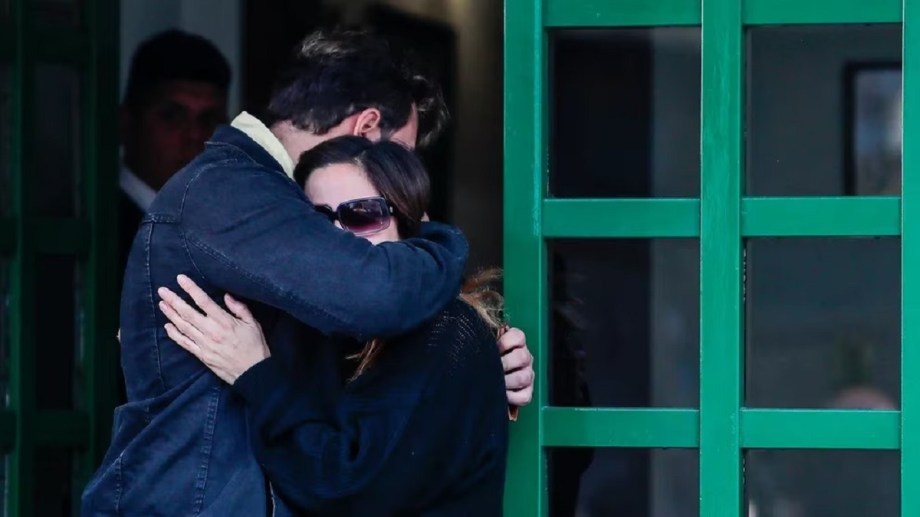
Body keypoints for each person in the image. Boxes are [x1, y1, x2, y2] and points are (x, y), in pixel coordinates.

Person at [82, 29, 532, 516]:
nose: (403, 176)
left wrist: (483, 357)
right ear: (366, 128)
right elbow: (379, 296)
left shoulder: (265, 198)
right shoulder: (231, 190)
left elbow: (364, 371)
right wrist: (438, 238)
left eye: (362, 214)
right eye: (400, 153)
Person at [158, 136, 509, 514]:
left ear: (405, 221)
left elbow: (348, 488)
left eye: (363, 214)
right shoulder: (325, 330)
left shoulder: (445, 330)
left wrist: (256, 374)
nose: (339, 237)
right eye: (319, 221)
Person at [119, 29, 231, 269]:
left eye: (209, 119)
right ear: (128, 123)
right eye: (172, 116)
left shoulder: (230, 226)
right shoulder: (95, 228)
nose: (195, 135)